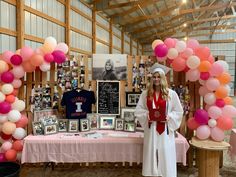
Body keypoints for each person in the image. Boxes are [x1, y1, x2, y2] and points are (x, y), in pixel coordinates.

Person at [134, 63, 183, 177]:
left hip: (165, 128)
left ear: (163, 78)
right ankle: (151, 173)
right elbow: (138, 110)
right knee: (150, 151)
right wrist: (147, 114)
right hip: (151, 128)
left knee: (166, 152)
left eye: (158, 77)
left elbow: (178, 111)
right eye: (154, 77)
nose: (156, 79)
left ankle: (167, 174)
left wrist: (169, 116)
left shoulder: (171, 94)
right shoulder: (146, 94)